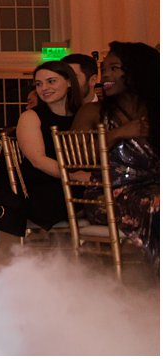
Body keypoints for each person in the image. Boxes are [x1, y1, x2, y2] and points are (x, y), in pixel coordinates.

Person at [73, 41, 159, 264]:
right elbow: (78, 159)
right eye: (104, 69)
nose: (105, 76)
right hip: (107, 196)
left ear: (137, 71)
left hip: (152, 190)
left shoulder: (155, 111)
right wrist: (118, 133)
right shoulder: (92, 111)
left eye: (114, 68)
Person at [12, 60, 83, 230]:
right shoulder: (31, 116)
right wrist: (74, 177)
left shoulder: (83, 115)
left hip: (77, 183)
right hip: (41, 186)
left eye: (51, 81)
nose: (44, 88)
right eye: (39, 84)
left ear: (69, 82)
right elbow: (38, 160)